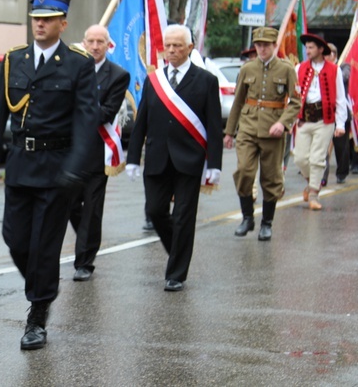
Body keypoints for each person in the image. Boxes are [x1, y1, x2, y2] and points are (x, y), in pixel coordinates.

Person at [0, 0, 98, 350]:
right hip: (20, 164)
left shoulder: (78, 63)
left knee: (44, 245)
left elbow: (86, 120)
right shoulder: (14, 59)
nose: (40, 25)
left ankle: (38, 313)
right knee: (15, 239)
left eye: (47, 20)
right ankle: (41, 287)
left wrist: (75, 168)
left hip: (57, 168)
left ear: (63, 23)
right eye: (36, 19)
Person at [126, 24, 222, 292]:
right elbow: (141, 120)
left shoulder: (205, 80)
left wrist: (214, 164)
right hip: (157, 158)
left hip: (189, 161)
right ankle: (178, 249)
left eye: (178, 45)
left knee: (183, 217)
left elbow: (214, 126)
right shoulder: (153, 80)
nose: (171, 50)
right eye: (167, 45)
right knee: (155, 211)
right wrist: (133, 157)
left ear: (190, 48)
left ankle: (176, 274)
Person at [224, 26, 301, 240]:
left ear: (274, 46)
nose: (261, 49)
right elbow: (238, 101)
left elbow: (295, 102)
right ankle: (247, 217)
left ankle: (267, 223)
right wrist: (229, 132)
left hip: (273, 131)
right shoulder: (247, 69)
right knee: (244, 172)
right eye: (258, 45)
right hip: (248, 128)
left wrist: (283, 124)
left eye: (266, 45)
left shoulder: (286, 69)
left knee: (271, 178)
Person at [69, 25, 129, 282]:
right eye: (90, 41)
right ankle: (86, 237)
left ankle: (84, 261)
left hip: (97, 150)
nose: (94, 46)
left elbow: (106, 112)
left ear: (108, 45)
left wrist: (77, 107)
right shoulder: (71, 68)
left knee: (92, 208)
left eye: (100, 42)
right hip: (69, 150)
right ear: (84, 42)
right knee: (71, 205)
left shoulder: (117, 75)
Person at [293, 33, 347, 210]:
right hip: (304, 119)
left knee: (317, 159)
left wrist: (340, 125)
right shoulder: (299, 68)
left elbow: (340, 99)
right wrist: (290, 121)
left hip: (325, 121)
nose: (307, 51)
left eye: (311, 47)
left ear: (320, 49)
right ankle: (311, 183)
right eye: (306, 47)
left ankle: (314, 195)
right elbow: (293, 97)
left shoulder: (334, 70)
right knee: (300, 158)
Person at [320, 42, 351, 186]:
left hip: (342, 112)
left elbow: (345, 77)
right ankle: (322, 177)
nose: (325, 57)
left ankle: (341, 173)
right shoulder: (320, 69)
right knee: (323, 147)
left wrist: (334, 71)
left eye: (327, 54)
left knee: (341, 147)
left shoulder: (343, 67)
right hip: (325, 113)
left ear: (334, 55)